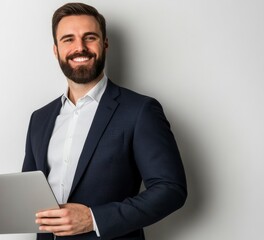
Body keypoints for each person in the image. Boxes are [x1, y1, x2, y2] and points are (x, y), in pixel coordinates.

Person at [22, 2, 187, 240]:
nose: (80, 47)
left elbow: (171, 189)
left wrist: (94, 218)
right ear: (56, 50)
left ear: (105, 44)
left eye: (89, 37)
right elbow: (30, 192)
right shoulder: (39, 118)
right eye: (68, 39)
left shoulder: (140, 110)